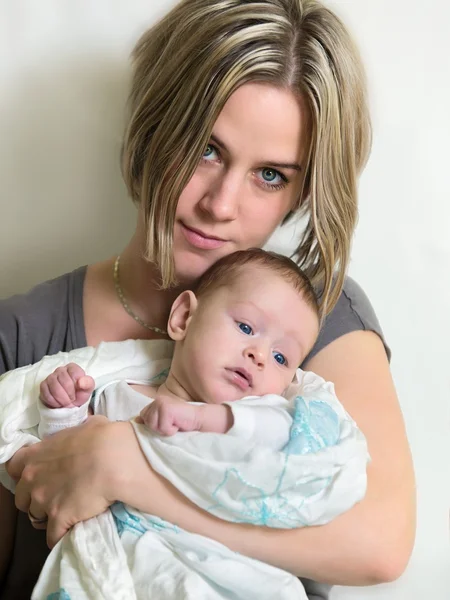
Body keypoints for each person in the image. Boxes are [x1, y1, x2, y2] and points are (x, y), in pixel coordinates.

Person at [0, 0, 415, 598]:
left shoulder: (314, 317)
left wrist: (127, 471)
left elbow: (378, 546)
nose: (221, 205)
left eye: (270, 175)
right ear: (153, 127)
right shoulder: (22, 334)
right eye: (206, 148)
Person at [0, 249, 369, 599]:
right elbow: (64, 473)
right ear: (184, 318)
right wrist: (62, 412)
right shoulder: (117, 395)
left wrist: (203, 418)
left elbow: (291, 462)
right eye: (245, 326)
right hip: (123, 567)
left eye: (280, 356)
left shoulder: (262, 423)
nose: (258, 355)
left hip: (224, 577)